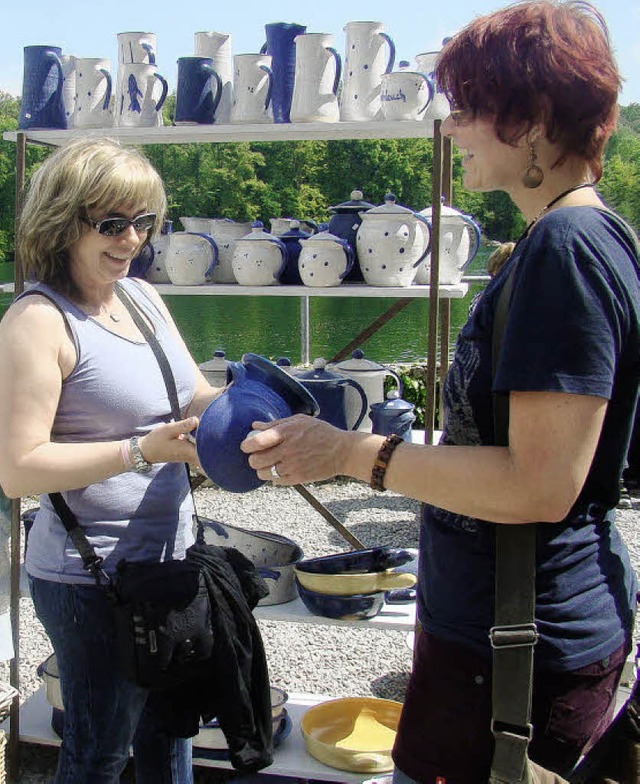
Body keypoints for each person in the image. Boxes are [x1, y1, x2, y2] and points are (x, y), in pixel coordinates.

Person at [241, 2, 640, 782]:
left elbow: (540, 483)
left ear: (531, 119)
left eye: (467, 107)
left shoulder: (567, 248)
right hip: (512, 634)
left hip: (516, 651)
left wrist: (353, 453)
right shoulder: (589, 236)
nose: (450, 127)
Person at [0, 138, 223, 783]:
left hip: (169, 566)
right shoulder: (38, 321)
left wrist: (250, 408)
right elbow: (18, 467)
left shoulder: (141, 299)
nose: (132, 240)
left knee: (169, 737)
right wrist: (139, 452)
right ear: (62, 223)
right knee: (98, 754)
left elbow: (192, 394)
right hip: (88, 582)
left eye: (144, 223)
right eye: (112, 224)